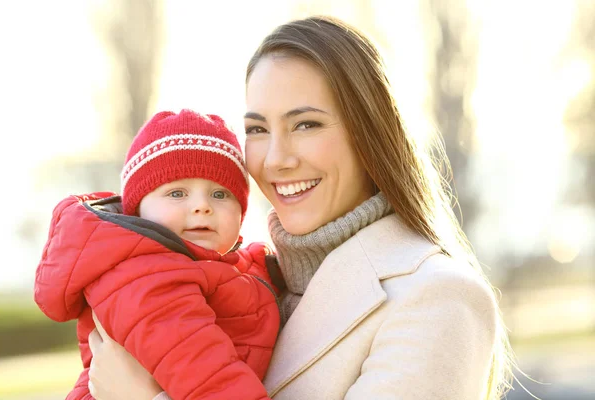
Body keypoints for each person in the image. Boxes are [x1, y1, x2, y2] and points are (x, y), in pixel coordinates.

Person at [87, 16, 514, 400]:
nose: (275, 159)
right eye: (257, 129)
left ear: (370, 134)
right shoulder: (245, 284)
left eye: (306, 124)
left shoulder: (437, 296)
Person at [34, 110, 281, 400]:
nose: (202, 206)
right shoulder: (147, 279)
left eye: (219, 194)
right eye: (177, 193)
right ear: (137, 210)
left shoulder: (216, 266)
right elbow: (208, 378)